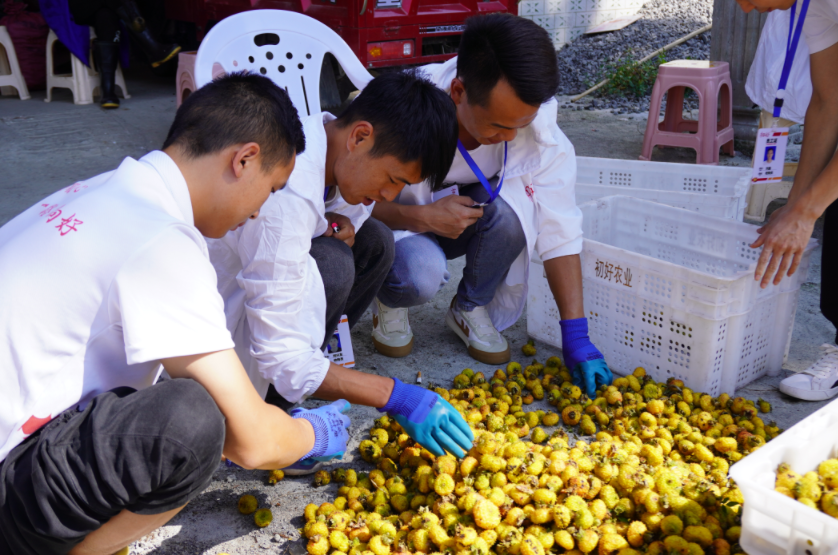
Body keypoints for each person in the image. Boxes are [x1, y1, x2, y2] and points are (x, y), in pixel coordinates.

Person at [0, 72, 351, 555]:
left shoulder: (104, 188)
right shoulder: (159, 238)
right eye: (271, 190)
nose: (258, 213)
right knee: (192, 423)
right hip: (9, 484)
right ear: (244, 159)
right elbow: (249, 440)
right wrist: (311, 433)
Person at [208, 70, 473, 474]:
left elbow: (334, 223)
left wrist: (331, 223)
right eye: (391, 180)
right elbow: (282, 354)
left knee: (376, 240)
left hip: (268, 293)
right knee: (332, 262)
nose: (387, 195)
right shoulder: (286, 194)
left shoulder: (336, 153)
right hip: (221, 332)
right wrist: (395, 395)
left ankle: (284, 398)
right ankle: (263, 420)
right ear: (360, 136)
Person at [369, 14, 613, 397]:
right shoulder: (401, 108)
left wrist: (576, 335)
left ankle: (468, 307)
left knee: (517, 215)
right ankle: (390, 300)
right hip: (399, 225)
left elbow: (558, 228)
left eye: (521, 123)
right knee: (420, 273)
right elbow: (348, 205)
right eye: (498, 126)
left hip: (465, 223)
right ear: (458, 92)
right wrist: (418, 216)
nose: (512, 135)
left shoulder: (539, 132)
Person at [737, 0, 838, 400]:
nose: (745, 10)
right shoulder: (810, 5)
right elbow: (828, 101)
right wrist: (797, 207)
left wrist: (806, 212)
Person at [67, 0, 181, 109]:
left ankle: (108, 92)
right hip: (79, 7)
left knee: (106, 16)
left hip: (104, 7)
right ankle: (152, 48)